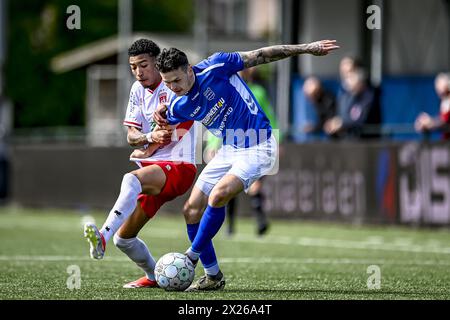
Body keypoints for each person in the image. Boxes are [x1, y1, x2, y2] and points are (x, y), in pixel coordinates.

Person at [153, 39, 339, 291]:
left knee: (218, 195)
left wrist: (307, 48)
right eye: (167, 83)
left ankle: (191, 256)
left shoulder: (216, 66)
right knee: (190, 209)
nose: (173, 87)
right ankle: (213, 276)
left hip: (259, 144)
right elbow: (164, 122)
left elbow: (261, 55)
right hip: (230, 148)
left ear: (189, 69)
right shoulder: (179, 105)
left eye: (176, 80)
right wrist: (159, 117)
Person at [83, 39, 198, 289]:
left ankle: (102, 235)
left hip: (179, 167)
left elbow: (170, 131)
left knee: (130, 179)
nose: (138, 72)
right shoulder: (137, 90)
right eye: (133, 67)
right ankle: (154, 276)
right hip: (154, 170)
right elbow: (131, 135)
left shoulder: (174, 86)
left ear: (157, 63)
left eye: (143, 65)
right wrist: (147, 140)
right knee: (124, 240)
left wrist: (147, 148)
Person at [324, 56, 378, 138]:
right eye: (343, 72)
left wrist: (342, 123)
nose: (346, 76)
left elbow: (360, 118)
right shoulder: (343, 92)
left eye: (349, 71)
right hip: (346, 142)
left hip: (366, 143)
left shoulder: (369, 93)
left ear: (359, 72)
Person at [415, 72, 450, 140]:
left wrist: (429, 123)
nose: (438, 88)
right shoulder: (444, 101)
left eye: (440, 84)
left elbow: (444, 122)